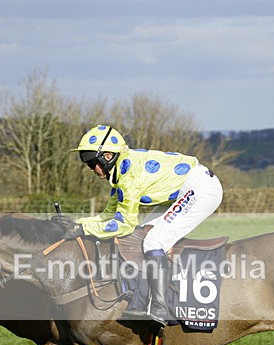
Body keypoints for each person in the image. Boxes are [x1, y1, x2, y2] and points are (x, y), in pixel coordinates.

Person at [69, 124, 223, 326]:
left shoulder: (128, 178)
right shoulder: (120, 171)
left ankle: (160, 308)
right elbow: (109, 215)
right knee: (141, 236)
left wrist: (83, 229)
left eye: (91, 161)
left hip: (201, 189)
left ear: (108, 156)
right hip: (186, 188)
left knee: (153, 241)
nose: (91, 168)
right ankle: (142, 300)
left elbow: (124, 224)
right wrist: (76, 224)